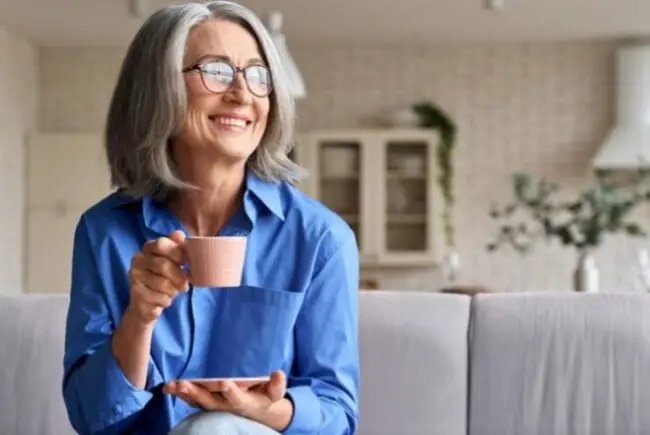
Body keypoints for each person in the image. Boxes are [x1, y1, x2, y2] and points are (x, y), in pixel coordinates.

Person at [61, 1, 360, 434]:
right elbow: (90, 418)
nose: (242, 94)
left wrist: (261, 412)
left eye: (259, 76)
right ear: (157, 87)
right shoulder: (104, 232)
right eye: (216, 71)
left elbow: (339, 415)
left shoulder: (319, 238)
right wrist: (140, 317)